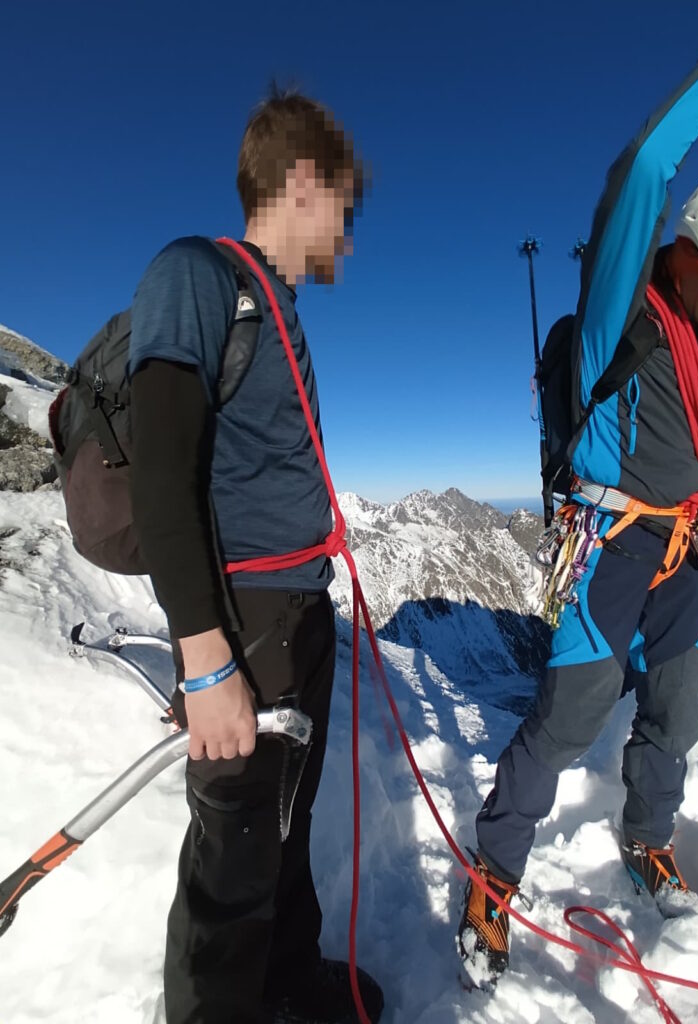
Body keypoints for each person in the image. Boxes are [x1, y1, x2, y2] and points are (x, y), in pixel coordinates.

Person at [458, 0, 698, 986]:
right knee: (568, 718)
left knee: (673, 711)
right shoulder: (618, 316)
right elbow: (640, 170)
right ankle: (494, 874)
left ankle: (649, 836)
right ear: (688, 247)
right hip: (612, 548)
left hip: (688, 551)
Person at [128, 90, 383, 1024]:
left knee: (288, 821)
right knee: (232, 854)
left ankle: (287, 975)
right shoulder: (198, 275)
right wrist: (204, 659)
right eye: (344, 212)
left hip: (298, 613)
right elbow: (162, 470)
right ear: (305, 184)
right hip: (244, 619)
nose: (345, 239)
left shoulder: (269, 303)